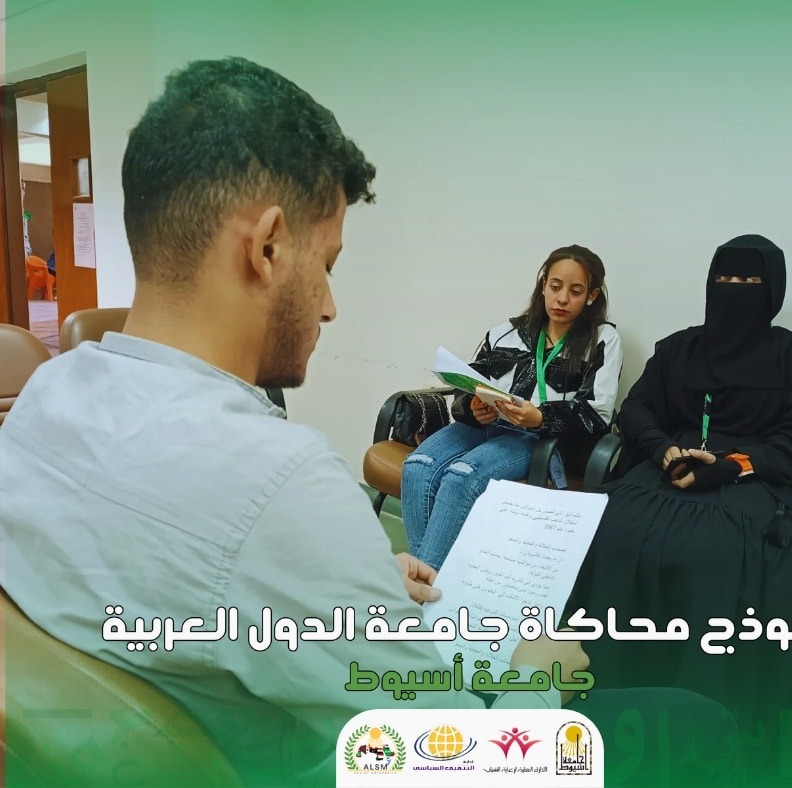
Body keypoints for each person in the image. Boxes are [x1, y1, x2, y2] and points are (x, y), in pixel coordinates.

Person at [0, 58, 738, 787]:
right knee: (700, 723)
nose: (329, 306)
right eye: (327, 264)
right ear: (267, 247)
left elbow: (148, 559)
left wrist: (342, 578)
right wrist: (538, 684)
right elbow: (455, 761)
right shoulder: (281, 482)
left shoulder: (46, 394)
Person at [568, 234, 792, 775]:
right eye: (725, 279)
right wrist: (663, 450)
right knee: (601, 530)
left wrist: (732, 464)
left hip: (756, 481)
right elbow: (638, 409)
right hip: (669, 472)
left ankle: (721, 721)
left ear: (772, 291)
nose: (734, 291)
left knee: (724, 555)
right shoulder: (679, 349)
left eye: (749, 282)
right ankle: (597, 694)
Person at [402, 245, 623, 569]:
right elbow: (467, 384)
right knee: (417, 465)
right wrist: (473, 406)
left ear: (591, 295)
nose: (562, 299)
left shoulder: (602, 339)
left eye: (575, 291)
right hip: (483, 424)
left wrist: (540, 418)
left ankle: (424, 581)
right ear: (543, 285)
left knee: (461, 477)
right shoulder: (505, 332)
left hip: (535, 437)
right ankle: (429, 579)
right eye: (555, 286)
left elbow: (597, 414)